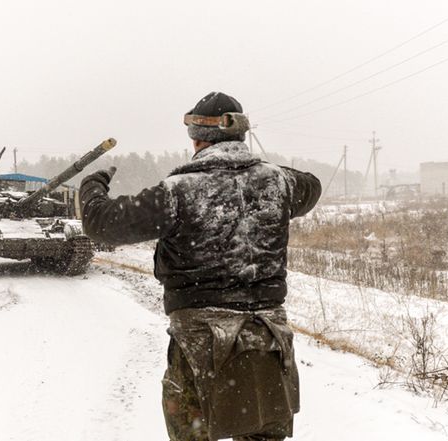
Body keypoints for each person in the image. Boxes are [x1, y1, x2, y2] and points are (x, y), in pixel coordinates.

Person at [79, 92, 322, 441]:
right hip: (268, 340)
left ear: (196, 138)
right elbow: (311, 185)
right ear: (241, 135)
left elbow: (100, 222)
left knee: (192, 433)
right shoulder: (279, 183)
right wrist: (260, 171)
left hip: (200, 342)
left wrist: (93, 185)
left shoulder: (178, 192)